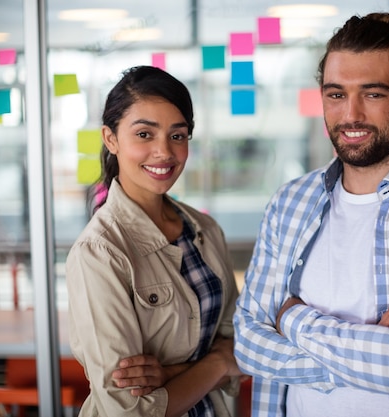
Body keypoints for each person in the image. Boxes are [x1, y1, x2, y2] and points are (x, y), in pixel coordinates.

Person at [233, 12, 389, 417]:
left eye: (372, 94)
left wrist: (290, 318)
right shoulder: (290, 202)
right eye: (336, 94)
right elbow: (248, 346)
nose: (350, 114)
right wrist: (374, 341)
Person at [66, 65, 243, 417]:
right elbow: (129, 410)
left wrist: (170, 373)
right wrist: (217, 365)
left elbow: (241, 342)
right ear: (110, 138)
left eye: (177, 136)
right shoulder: (99, 253)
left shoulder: (204, 229)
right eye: (145, 134)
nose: (164, 152)